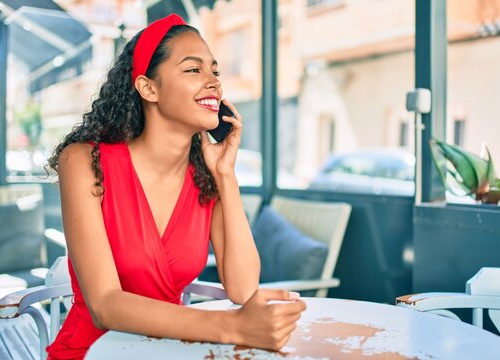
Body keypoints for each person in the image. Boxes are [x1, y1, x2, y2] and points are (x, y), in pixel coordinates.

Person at [46, 13, 306, 360]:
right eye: (193, 69)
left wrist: (226, 176)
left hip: (171, 351)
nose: (213, 81)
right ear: (148, 88)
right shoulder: (83, 162)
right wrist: (235, 327)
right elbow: (105, 304)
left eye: (215, 70)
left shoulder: (205, 177)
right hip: (92, 351)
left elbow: (243, 289)